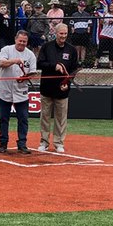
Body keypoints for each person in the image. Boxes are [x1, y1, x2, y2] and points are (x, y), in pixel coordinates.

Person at [37, 22, 79, 153]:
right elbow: (40, 63)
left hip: (62, 90)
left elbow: (74, 69)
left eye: (65, 34)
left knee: (61, 118)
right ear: (56, 33)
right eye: (61, 33)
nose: (63, 36)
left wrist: (68, 81)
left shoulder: (71, 50)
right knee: (45, 116)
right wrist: (54, 66)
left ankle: (59, 142)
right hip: (47, 88)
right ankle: (44, 142)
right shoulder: (46, 47)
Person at [0, 30, 37, 154]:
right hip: (5, 90)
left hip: (21, 91)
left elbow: (33, 72)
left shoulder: (30, 55)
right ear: (15, 39)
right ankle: (3, 143)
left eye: (24, 42)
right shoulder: (6, 50)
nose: (22, 43)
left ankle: (22, 144)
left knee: (23, 118)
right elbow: (1, 63)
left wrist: (24, 78)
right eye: (20, 41)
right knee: (4, 118)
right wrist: (14, 61)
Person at [68, 0, 93, 64]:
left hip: (84, 32)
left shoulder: (87, 14)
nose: (82, 7)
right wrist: (72, 29)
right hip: (77, 32)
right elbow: (71, 23)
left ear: (85, 7)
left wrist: (88, 29)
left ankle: (83, 61)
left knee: (83, 47)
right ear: (78, 6)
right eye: (80, 6)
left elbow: (89, 23)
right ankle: (77, 61)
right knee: (77, 47)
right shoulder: (74, 14)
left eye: (83, 6)